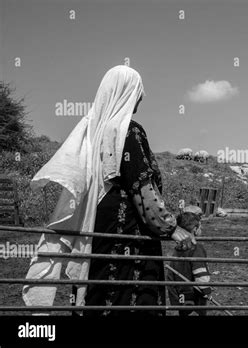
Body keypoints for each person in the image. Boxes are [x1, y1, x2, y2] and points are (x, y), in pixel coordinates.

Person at [22, 66, 195, 317]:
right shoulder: (129, 130)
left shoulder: (95, 129)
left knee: (100, 286)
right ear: (127, 92)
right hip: (128, 227)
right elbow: (141, 185)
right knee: (132, 293)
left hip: (102, 223)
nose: (140, 99)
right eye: (138, 92)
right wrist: (170, 228)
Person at [167, 212, 212, 316]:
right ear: (195, 229)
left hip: (181, 296)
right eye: (200, 226)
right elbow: (200, 274)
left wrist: (174, 298)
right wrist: (207, 291)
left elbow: (170, 275)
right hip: (195, 297)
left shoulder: (177, 250)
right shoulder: (197, 248)